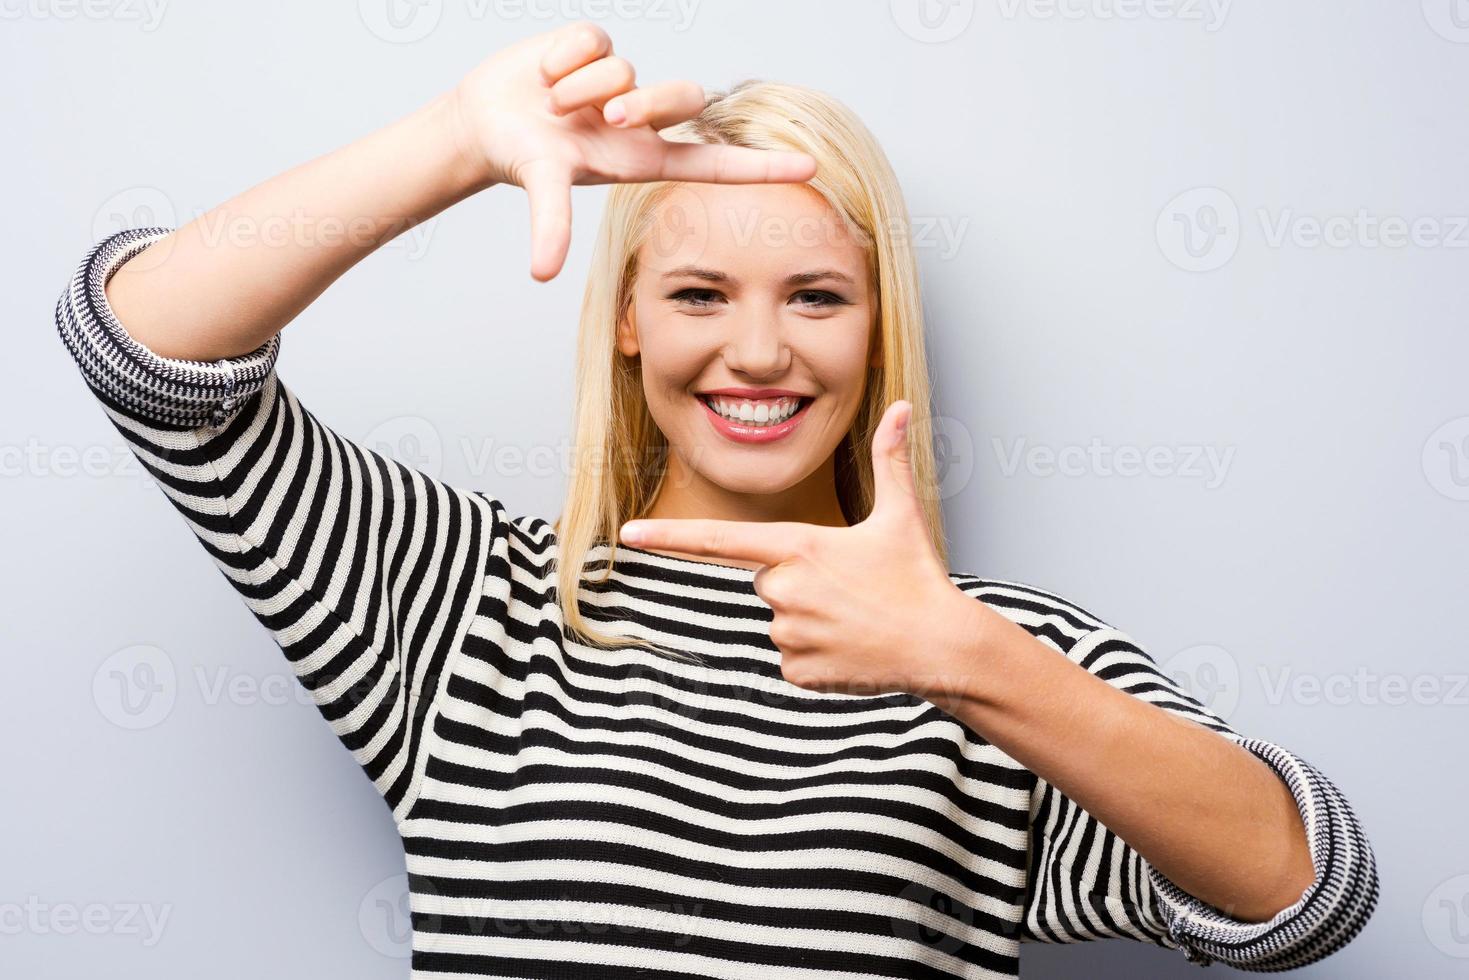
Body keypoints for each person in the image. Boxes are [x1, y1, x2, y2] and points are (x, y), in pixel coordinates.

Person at [56, 20, 1377, 977]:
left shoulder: (998, 660)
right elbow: (143, 348)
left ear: (877, 327)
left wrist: (966, 660)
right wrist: (458, 141)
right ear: (625, 324)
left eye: (814, 294)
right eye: (699, 295)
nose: (756, 352)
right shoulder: (470, 604)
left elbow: (1307, 894)